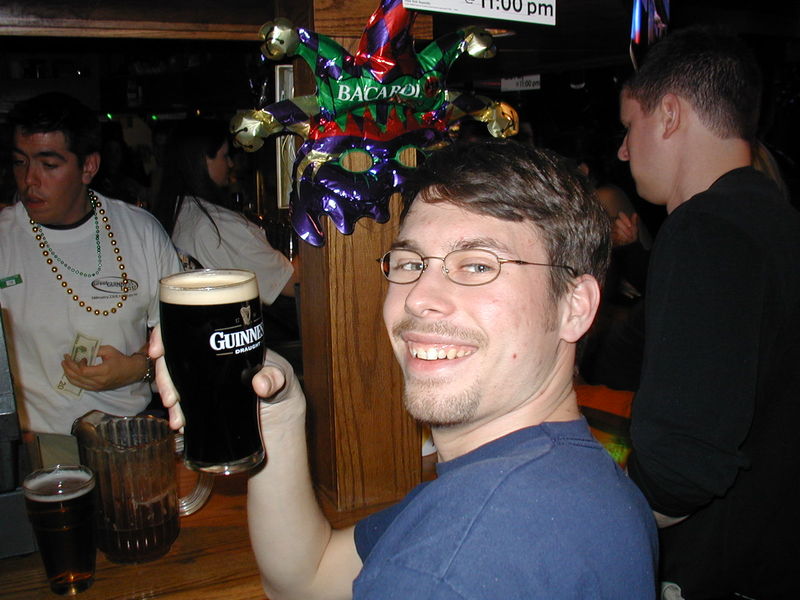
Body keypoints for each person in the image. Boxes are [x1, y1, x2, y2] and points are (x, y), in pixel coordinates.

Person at [152, 139, 658, 599]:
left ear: (574, 306)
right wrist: (281, 415)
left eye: (478, 265)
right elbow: (307, 578)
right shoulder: (569, 475)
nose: (419, 298)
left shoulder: (448, 568)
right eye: (411, 264)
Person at [617, 26, 800, 598]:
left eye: (630, 127)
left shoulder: (704, 228)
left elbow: (681, 467)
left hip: (726, 569)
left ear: (669, 115)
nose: (622, 150)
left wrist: (597, 522)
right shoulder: (775, 218)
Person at [0, 92, 181, 435]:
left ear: (88, 167)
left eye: (48, 165)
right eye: (20, 163)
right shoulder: (5, 237)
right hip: (33, 442)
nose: (29, 180)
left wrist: (139, 369)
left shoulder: (140, 231)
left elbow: (183, 335)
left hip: (130, 433)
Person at [153, 119, 295, 305]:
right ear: (204, 160)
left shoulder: (176, 213)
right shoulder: (218, 225)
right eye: (225, 156)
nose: (230, 164)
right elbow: (291, 283)